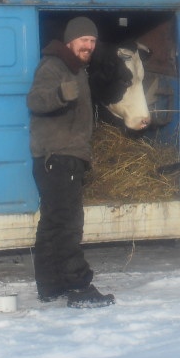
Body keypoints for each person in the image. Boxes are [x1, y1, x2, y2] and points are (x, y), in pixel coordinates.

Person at [27, 16, 115, 309]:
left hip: (63, 157)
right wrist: (60, 95)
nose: (89, 45)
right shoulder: (54, 66)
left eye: (92, 41)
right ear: (70, 41)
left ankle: (51, 286)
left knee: (53, 224)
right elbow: (35, 101)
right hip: (58, 157)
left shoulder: (78, 69)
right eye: (83, 40)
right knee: (68, 224)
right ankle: (79, 286)